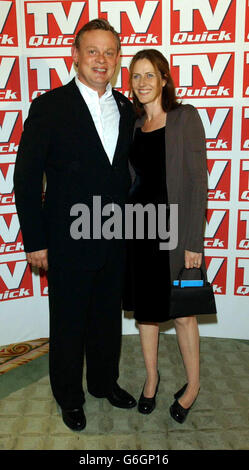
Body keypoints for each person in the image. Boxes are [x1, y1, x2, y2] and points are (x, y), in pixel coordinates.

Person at [14, 19, 137, 432]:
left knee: (106, 319)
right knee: (68, 322)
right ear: (76, 55)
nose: (101, 60)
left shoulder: (124, 106)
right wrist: (35, 239)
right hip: (66, 238)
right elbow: (27, 179)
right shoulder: (49, 107)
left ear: (118, 59)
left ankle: (104, 383)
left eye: (109, 52)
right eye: (93, 51)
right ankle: (69, 396)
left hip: (115, 237)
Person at [124, 49, 207, 423]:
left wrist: (193, 242)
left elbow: (198, 183)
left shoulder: (184, 118)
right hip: (140, 233)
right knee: (147, 316)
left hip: (176, 237)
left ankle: (192, 386)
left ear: (164, 80)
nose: (142, 83)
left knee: (185, 314)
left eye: (149, 75)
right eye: (136, 76)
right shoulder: (134, 125)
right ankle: (152, 379)